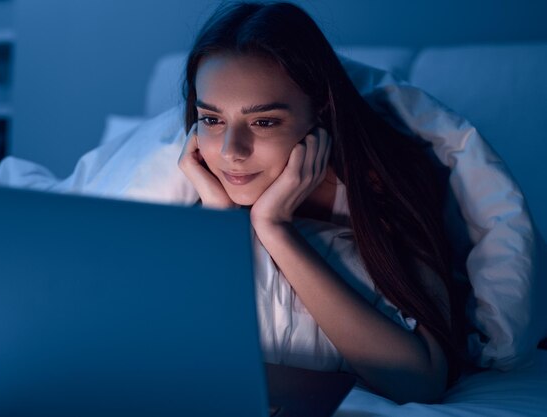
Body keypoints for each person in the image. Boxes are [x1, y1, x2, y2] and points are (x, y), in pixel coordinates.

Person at [177, 1, 465, 404]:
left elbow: (421, 380)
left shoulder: (384, 186)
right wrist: (219, 221)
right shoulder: (197, 184)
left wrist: (274, 228)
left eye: (263, 121)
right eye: (211, 119)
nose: (231, 152)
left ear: (320, 114)